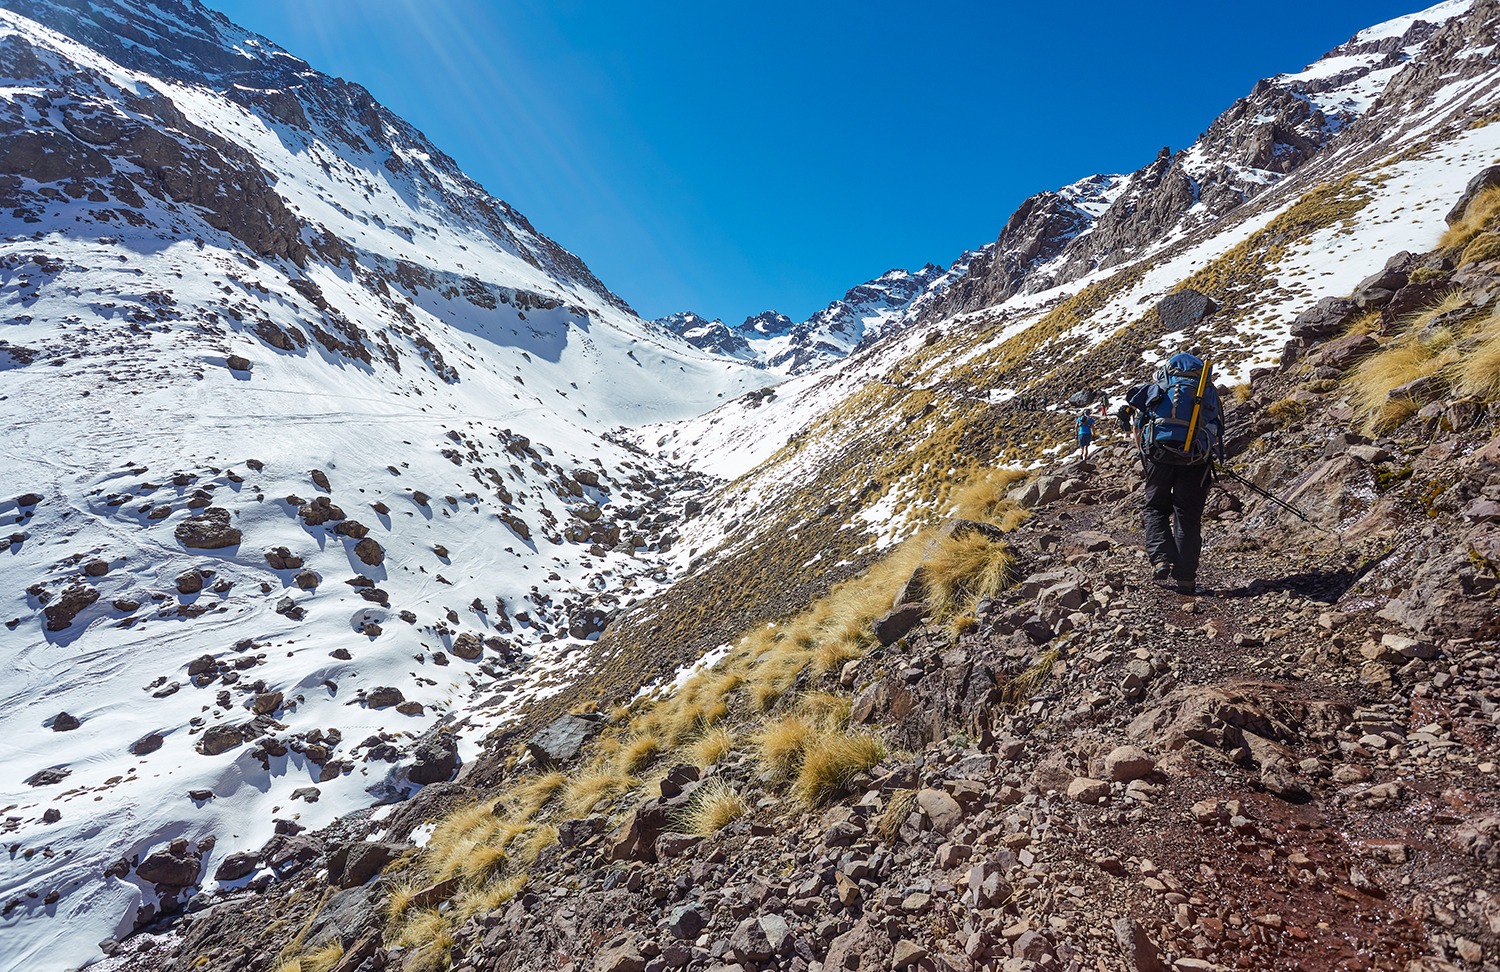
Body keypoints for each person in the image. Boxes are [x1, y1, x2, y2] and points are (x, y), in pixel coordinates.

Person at [1122, 352, 1224, 595]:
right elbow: (1217, 429)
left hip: (1159, 455)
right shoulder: (1205, 391)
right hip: (1196, 458)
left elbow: (1140, 424)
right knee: (1187, 515)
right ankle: (1186, 579)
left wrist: (1144, 455)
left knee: (1155, 508)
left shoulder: (1160, 386)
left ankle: (1161, 559)